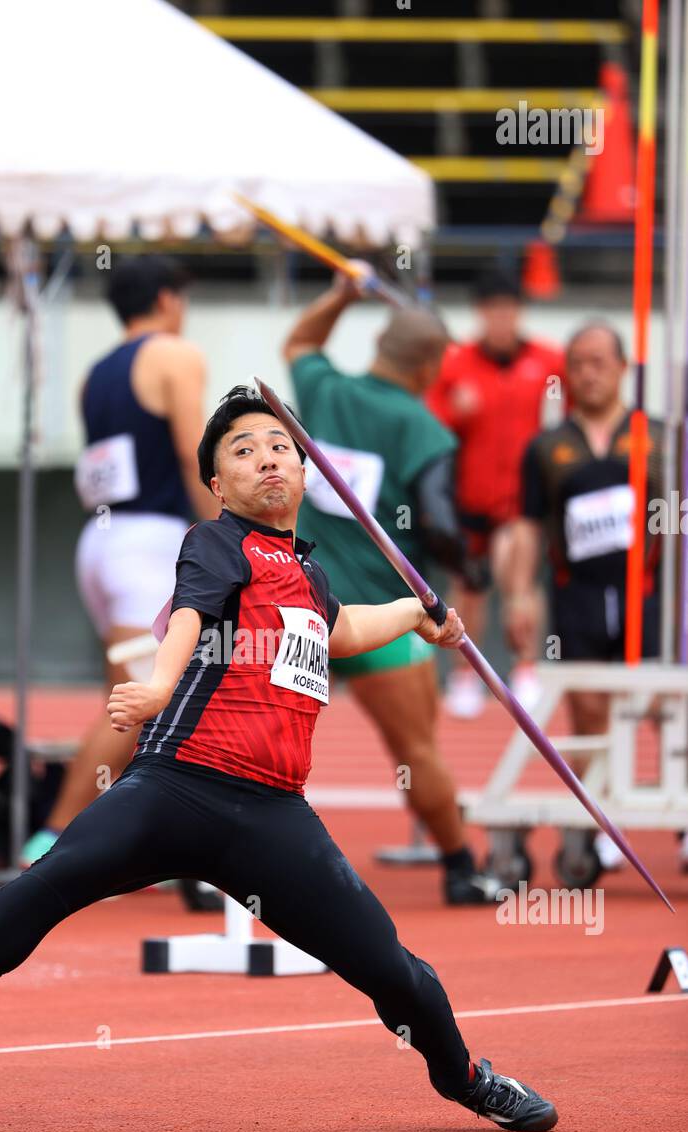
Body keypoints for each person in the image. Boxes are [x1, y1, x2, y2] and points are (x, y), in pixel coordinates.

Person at [0, 386, 557, 1132]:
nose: (266, 459)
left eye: (279, 447)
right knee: (45, 884)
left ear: (305, 472)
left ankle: (467, 1078)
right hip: (175, 788)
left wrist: (416, 613)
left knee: (392, 969)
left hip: (275, 817)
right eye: (243, 452)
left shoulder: (309, 577)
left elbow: (341, 630)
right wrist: (156, 684)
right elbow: (190, 611)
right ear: (219, 486)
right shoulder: (216, 544)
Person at [283, 268, 501, 906]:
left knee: (254, 740)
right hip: (383, 617)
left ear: (380, 343)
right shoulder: (422, 428)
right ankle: (460, 865)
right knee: (416, 749)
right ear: (431, 363)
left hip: (299, 607)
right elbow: (435, 522)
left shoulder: (323, 388)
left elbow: (298, 343)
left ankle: (210, 867)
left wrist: (339, 296)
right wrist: (468, 564)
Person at [20, 255, 219, 906]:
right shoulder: (175, 355)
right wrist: (229, 537)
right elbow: (198, 454)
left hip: (100, 543)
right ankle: (49, 842)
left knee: (135, 698)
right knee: (140, 698)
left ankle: (126, 845)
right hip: (149, 542)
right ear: (166, 298)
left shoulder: (94, 374)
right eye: (182, 299)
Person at [505, 320, 682, 872]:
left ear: (623, 367)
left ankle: (681, 825)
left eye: (599, 361)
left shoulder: (660, 437)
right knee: (588, 712)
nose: (588, 373)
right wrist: (518, 593)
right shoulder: (548, 447)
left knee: (669, 706)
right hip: (575, 595)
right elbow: (529, 526)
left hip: (649, 594)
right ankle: (601, 827)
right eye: (577, 363)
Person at [427, 267, 565, 717]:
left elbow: (572, 406)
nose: (501, 319)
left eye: (509, 309)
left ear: (519, 311)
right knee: (469, 589)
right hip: (469, 496)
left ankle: (525, 667)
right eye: (492, 310)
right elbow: (432, 423)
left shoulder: (546, 361)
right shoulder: (456, 364)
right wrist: (457, 411)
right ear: (480, 313)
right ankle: (467, 676)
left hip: (520, 499)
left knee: (518, 578)